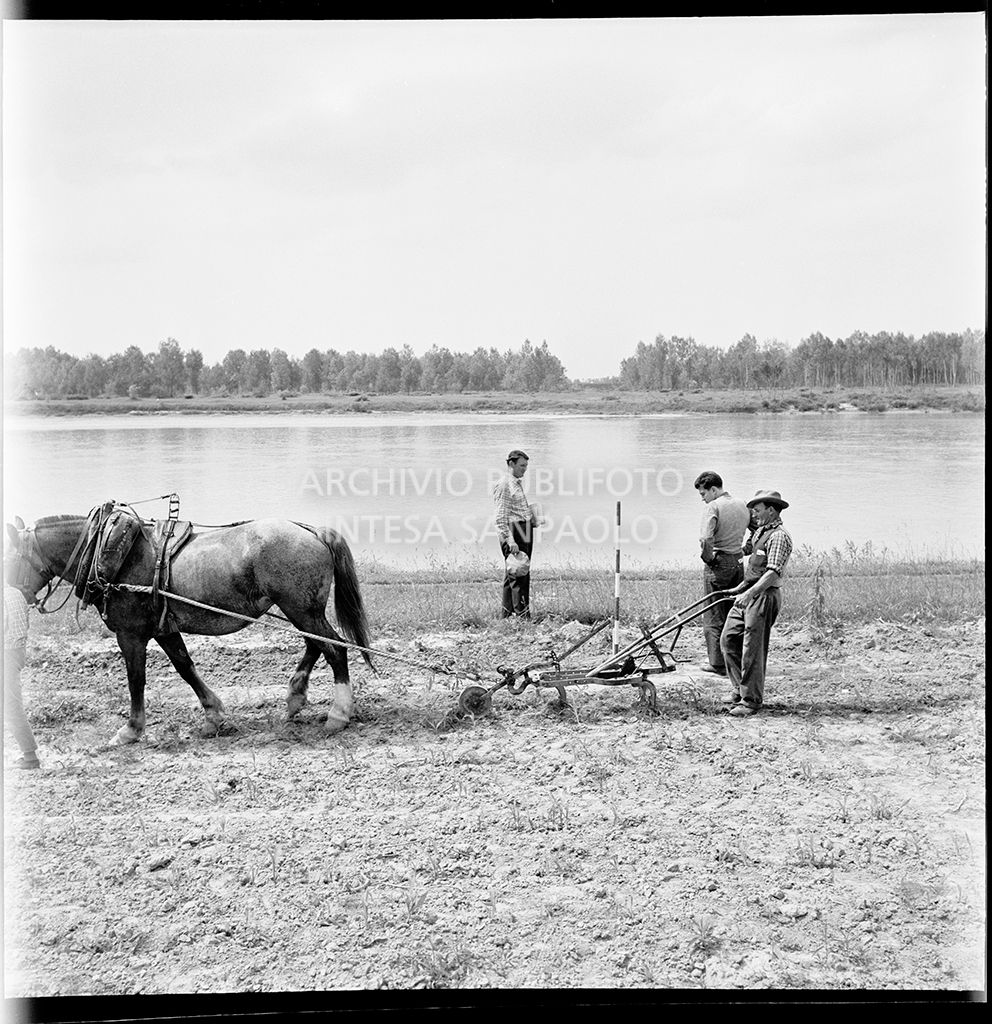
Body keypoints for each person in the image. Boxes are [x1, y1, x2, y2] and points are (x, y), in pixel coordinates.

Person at [720, 490, 794, 717]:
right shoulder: (761, 531)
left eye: (758, 509)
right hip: (748, 594)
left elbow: (772, 573)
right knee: (729, 638)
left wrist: (750, 593)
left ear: (771, 510)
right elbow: (753, 565)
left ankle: (751, 700)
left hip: (763, 597)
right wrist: (739, 588)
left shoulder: (779, 536)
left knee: (753, 649)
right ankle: (739, 688)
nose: (754, 513)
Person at [693, 471, 750, 676]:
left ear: (714, 489)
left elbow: (706, 539)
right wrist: (747, 549)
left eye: (703, 493)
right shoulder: (742, 504)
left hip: (719, 562)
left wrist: (708, 559)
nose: (702, 498)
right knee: (734, 611)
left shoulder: (713, 506)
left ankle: (717, 663)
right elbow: (757, 528)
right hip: (738, 562)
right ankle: (734, 658)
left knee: (714, 613)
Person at [492, 449, 540, 619]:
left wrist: (532, 519)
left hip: (524, 528)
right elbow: (500, 517)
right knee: (519, 574)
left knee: (513, 572)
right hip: (515, 531)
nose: (524, 469)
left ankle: (507, 615)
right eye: (522, 466)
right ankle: (523, 617)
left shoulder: (515, 482)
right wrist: (510, 539)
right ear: (511, 463)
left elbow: (515, 509)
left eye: (526, 466)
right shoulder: (504, 484)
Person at [4, 581, 40, 769]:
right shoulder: (16, 593)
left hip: (7, 653)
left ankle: (30, 756)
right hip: (17, 651)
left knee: (11, 706)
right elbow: (25, 623)